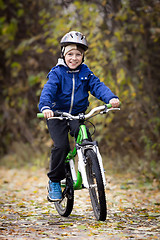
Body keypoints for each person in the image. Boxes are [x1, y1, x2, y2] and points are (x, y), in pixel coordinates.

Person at [39, 31, 120, 202]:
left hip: (77, 114)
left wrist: (111, 98)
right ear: (63, 55)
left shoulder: (86, 72)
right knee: (61, 146)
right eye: (70, 54)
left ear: (83, 57)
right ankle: (54, 181)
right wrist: (46, 107)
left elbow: (98, 86)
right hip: (57, 115)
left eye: (78, 54)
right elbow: (48, 90)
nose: (74, 58)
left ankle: (93, 168)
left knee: (85, 137)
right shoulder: (57, 73)